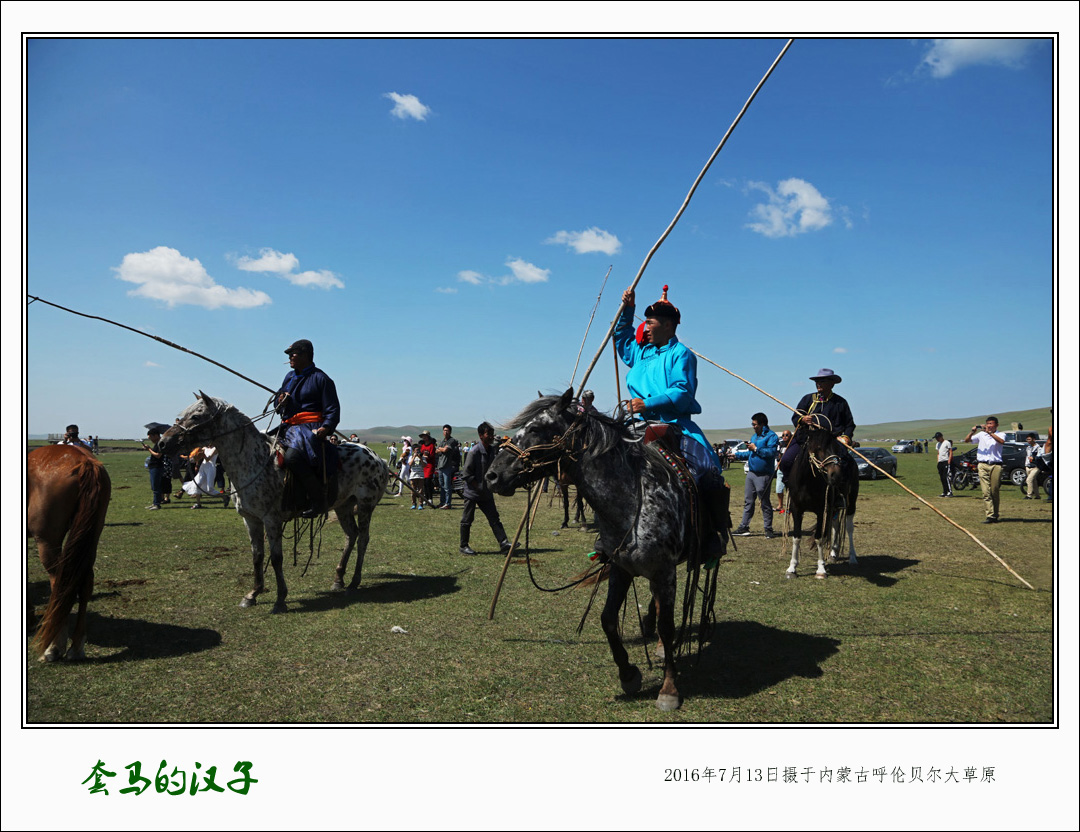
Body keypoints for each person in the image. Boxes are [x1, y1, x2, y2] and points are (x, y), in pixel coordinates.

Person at [614, 284, 729, 559]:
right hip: (636, 425)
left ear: (667, 325)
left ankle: (711, 537)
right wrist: (628, 309)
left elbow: (682, 392)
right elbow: (621, 337)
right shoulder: (641, 353)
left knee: (706, 470)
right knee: (607, 466)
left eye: (650, 323)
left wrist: (647, 403)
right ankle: (610, 536)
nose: (645, 328)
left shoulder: (682, 354)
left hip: (673, 425)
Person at [275, 339, 340, 518]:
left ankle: (318, 500)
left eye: (293, 354)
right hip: (288, 427)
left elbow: (332, 409)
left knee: (292, 457)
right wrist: (280, 401)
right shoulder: (289, 377)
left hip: (310, 428)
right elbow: (278, 403)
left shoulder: (322, 379)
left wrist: (326, 427)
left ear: (305, 355)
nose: (290, 357)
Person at [779, 368, 856, 480]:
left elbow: (849, 424)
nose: (818, 384)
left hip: (831, 442)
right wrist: (803, 419)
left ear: (832, 384)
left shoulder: (840, 402)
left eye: (822, 381)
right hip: (805, 439)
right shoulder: (808, 399)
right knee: (786, 461)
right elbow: (796, 417)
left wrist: (846, 437)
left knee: (846, 465)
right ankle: (789, 485)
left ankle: (841, 489)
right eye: (817, 381)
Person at [459, 422, 512, 555]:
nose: (492, 437)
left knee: (494, 518)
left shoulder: (492, 450)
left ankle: (504, 543)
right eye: (489, 434)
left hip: (486, 493)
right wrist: (478, 486)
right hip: (472, 493)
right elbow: (466, 474)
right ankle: (463, 546)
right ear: (481, 435)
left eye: (492, 434)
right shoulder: (474, 452)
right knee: (467, 520)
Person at [733, 413, 779, 538]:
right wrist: (736, 456)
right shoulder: (754, 437)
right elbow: (750, 454)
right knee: (748, 501)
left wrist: (756, 449)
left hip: (764, 475)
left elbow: (771, 453)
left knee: (764, 502)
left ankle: (768, 529)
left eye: (755, 424)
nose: (753, 427)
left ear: (762, 424)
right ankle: (744, 527)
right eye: (752, 424)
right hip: (751, 473)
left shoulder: (771, 436)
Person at [965, 416, 1005, 524]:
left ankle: (995, 514)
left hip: (995, 465)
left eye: (991, 424)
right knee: (986, 492)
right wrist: (972, 432)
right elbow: (967, 440)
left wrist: (990, 433)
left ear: (996, 425)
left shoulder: (1001, 434)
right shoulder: (981, 435)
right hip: (982, 464)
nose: (989, 426)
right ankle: (990, 515)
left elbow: (1001, 441)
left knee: (994, 491)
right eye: (987, 424)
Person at [435, 425, 462, 509]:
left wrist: (441, 449)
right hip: (440, 466)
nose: (445, 432)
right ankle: (442, 502)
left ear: (450, 432)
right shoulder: (442, 441)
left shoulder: (452, 440)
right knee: (442, 486)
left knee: (447, 486)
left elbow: (445, 450)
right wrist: (441, 449)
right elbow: (436, 451)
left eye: (447, 430)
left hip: (447, 466)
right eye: (444, 430)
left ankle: (448, 503)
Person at [141, 427, 166, 510]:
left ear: (155, 436)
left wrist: (149, 449)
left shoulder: (161, 443)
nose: (150, 439)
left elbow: (158, 455)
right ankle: (155, 502)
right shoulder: (157, 444)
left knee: (156, 486)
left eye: (151, 437)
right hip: (153, 467)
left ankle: (157, 504)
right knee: (154, 486)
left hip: (157, 467)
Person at [417, 430, 437, 507]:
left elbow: (432, 456)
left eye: (425, 436)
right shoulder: (423, 446)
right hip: (424, 465)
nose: (424, 437)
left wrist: (426, 456)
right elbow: (421, 453)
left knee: (428, 482)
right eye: (423, 436)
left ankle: (430, 498)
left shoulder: (431, 446)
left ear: (428, 437)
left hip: (430, 465)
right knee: (424, 482)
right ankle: (426, 498)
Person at [775, 429, 792, 513]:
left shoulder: (792, 446)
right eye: (783, 435)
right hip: (781, 469)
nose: (784, 437)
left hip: (790, 470)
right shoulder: (781, 445)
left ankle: (790, 506)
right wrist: (778, 462)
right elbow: (777, 454)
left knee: (790, 489)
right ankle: (780, 505)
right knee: (778, 488)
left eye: (787, 435)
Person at [1023, 433, 1043, 500]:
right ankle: (1037, 495)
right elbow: (1027, 456)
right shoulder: (1028, 448)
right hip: (1028, 466)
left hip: (1035, 467)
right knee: (1033, 481)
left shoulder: (1038, 448)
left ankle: (1029, 495)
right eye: (1027, 439)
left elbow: (1040, 457)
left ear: (1033, 439)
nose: (1028, 441)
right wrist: (1026, 464)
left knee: (1029, 480)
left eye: (1029, 439)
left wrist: (1034, 458)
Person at [934, 431, 954, 497]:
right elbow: (938, 453)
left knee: (946, 477)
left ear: (941, 437)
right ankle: (944, 492)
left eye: (938, 438)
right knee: (942, 477)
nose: (937, 439)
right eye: (936, 438)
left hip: (946, 461)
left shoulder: (947, 443)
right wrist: (938, 461)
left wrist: (949, 460)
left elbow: (950, 452)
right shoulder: (937, 444)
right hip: (940, 462)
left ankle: (950, 492)